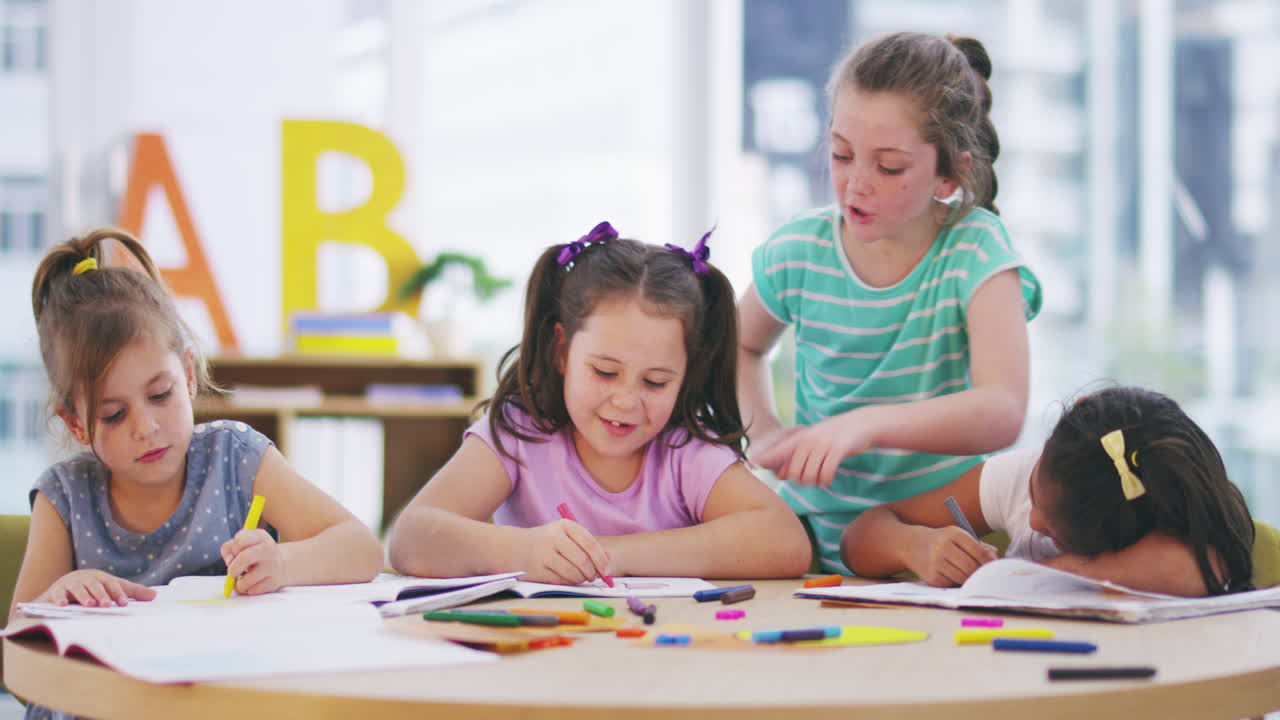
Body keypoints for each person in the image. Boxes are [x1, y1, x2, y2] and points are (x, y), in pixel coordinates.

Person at [737, 31, 1042, 573]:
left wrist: (868, 424)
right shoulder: (799, 250)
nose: (856, 184)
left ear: (949, 174)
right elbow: (739, 345)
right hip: (803, 543)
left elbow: (1003, 409)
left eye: (890, 167)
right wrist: (765, 430)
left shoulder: (977, 251)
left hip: (932, 541)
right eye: (840, 154)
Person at [388, 222, 811, 583]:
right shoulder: (520, 435)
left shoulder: (685, 451)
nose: (626, 401)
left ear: (687, 376)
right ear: (562, 351)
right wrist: (520, 552)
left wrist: (610, 555)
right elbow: (411, 538)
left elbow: (784, 542)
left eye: (656, 381)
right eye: (605, 372)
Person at [10, 228, 384, 620]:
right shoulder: (66, 497)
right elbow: (16, 643)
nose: (146, 427)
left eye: (159, 395)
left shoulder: (235, 458)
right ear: (76, 424)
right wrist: (57, 594)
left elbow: (362, 549)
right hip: (115, 682)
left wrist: (284, 563)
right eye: (114, 415)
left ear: (188, 375)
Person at [842, 387, 1256, 597]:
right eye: (1034, 493)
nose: (1034, 521)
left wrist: (1035, 577)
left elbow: (1199, 565)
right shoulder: (1025, 471)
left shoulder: (1168, 522)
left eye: (1057, 533)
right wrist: (913, 545)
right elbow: (860, 536)